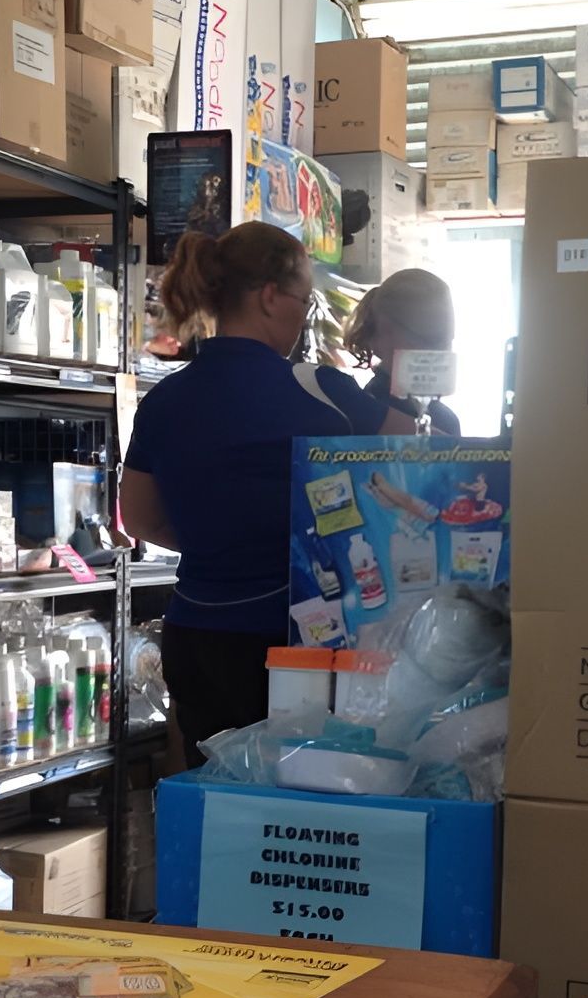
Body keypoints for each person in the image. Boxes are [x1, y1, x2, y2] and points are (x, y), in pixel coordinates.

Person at [121, 222, 415, 766]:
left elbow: (136, 518)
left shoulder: (164, 400)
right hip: (294, 644)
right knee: (296, 816)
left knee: (220, 807)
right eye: (305, 300)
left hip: (197, 637)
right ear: (269, 296)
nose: (306, 315)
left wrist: (217, 545)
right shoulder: (321, 390)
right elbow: (415, 460)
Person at [343, 268, 463, 436]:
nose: (437, 354)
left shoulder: (447, 421)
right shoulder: (359, 414)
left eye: (446, 341)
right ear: (379, 339)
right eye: (424, 339)